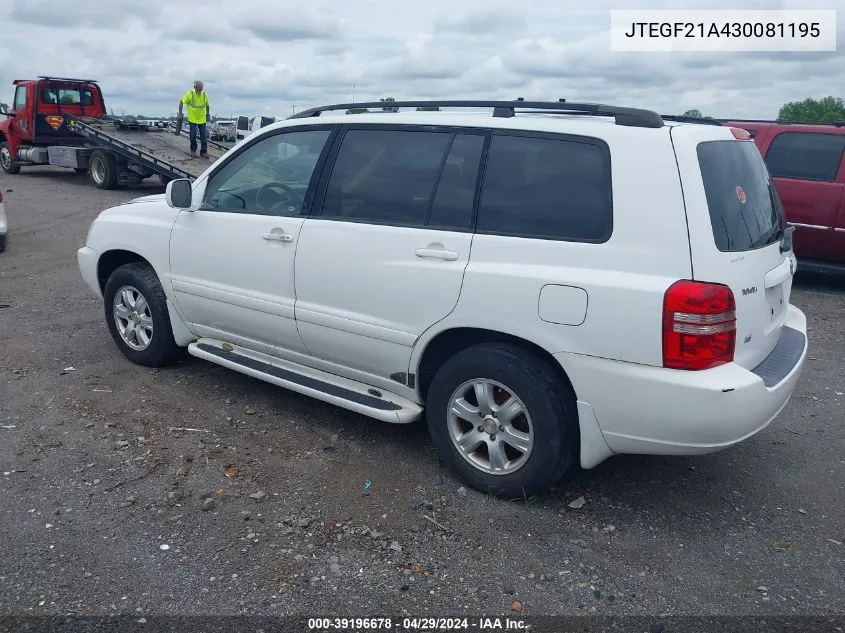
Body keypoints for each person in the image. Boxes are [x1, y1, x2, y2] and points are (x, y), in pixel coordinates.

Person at [178, 80, 211, 158]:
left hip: (202, 119)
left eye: (201, 89)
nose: (200, 91)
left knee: (203, 136)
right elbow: (181, 102)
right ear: (194, 87)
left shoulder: (204, 95)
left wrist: (208, 114)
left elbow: (207, 105)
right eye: (198, 89)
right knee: (193, 135)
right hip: (192, 119)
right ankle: (193, 150)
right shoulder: (190, 94)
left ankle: (203, 152)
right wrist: (180, 113)